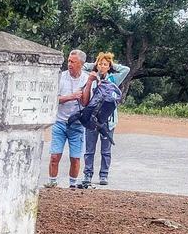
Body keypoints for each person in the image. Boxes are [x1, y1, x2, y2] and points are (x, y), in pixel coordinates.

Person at [74, 52, 131, 188]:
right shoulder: (91, 77)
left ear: (109, 66)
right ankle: (88, 174)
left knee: (106, 150)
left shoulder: (114, 79)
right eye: (100, 63)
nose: (102, 66)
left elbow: (126, 70)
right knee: (89, 149)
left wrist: (111, 64)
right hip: (91, 117)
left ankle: (104, 174)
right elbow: (82, 67)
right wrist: (95, 66)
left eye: (105, 64)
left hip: (108, 119)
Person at [47, 49, 92, 188]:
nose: (70, 64)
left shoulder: (86, 79)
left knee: (75, 157)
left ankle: (72, 185)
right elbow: (53, 99)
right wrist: (70, 97)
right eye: (68, 61)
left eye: (73, 62)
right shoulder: (61, 77)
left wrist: (90, 83)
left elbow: (85, 102)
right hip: (60, 122)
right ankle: (52, 183)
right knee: (55, 156)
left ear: (81, 64)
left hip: (77, 124)